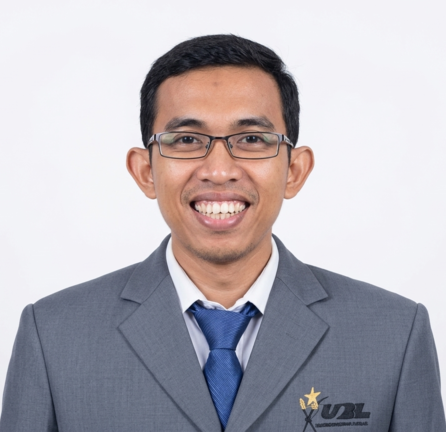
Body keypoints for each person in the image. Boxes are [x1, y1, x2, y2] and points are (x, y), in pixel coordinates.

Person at [1, 34, 444, 432]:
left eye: (251, 140)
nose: (218, 170)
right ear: (145, 171)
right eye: (186, 140)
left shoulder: (395, 335)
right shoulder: (53, 336)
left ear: (294, 170)